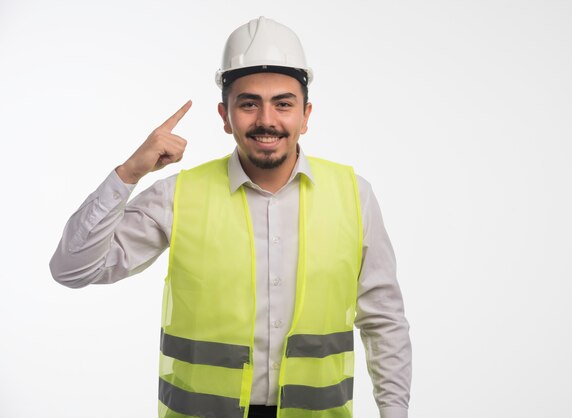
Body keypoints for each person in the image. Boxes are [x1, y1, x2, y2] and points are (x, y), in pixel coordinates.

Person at [50, 16, 411, 418]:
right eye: (249, 103)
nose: (267, 120)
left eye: (283, 104)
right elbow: (72, 270)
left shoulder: (353, 195)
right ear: (225, 115)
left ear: (306, 115)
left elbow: (385, 322)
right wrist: (128, 173)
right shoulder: (178, 196)